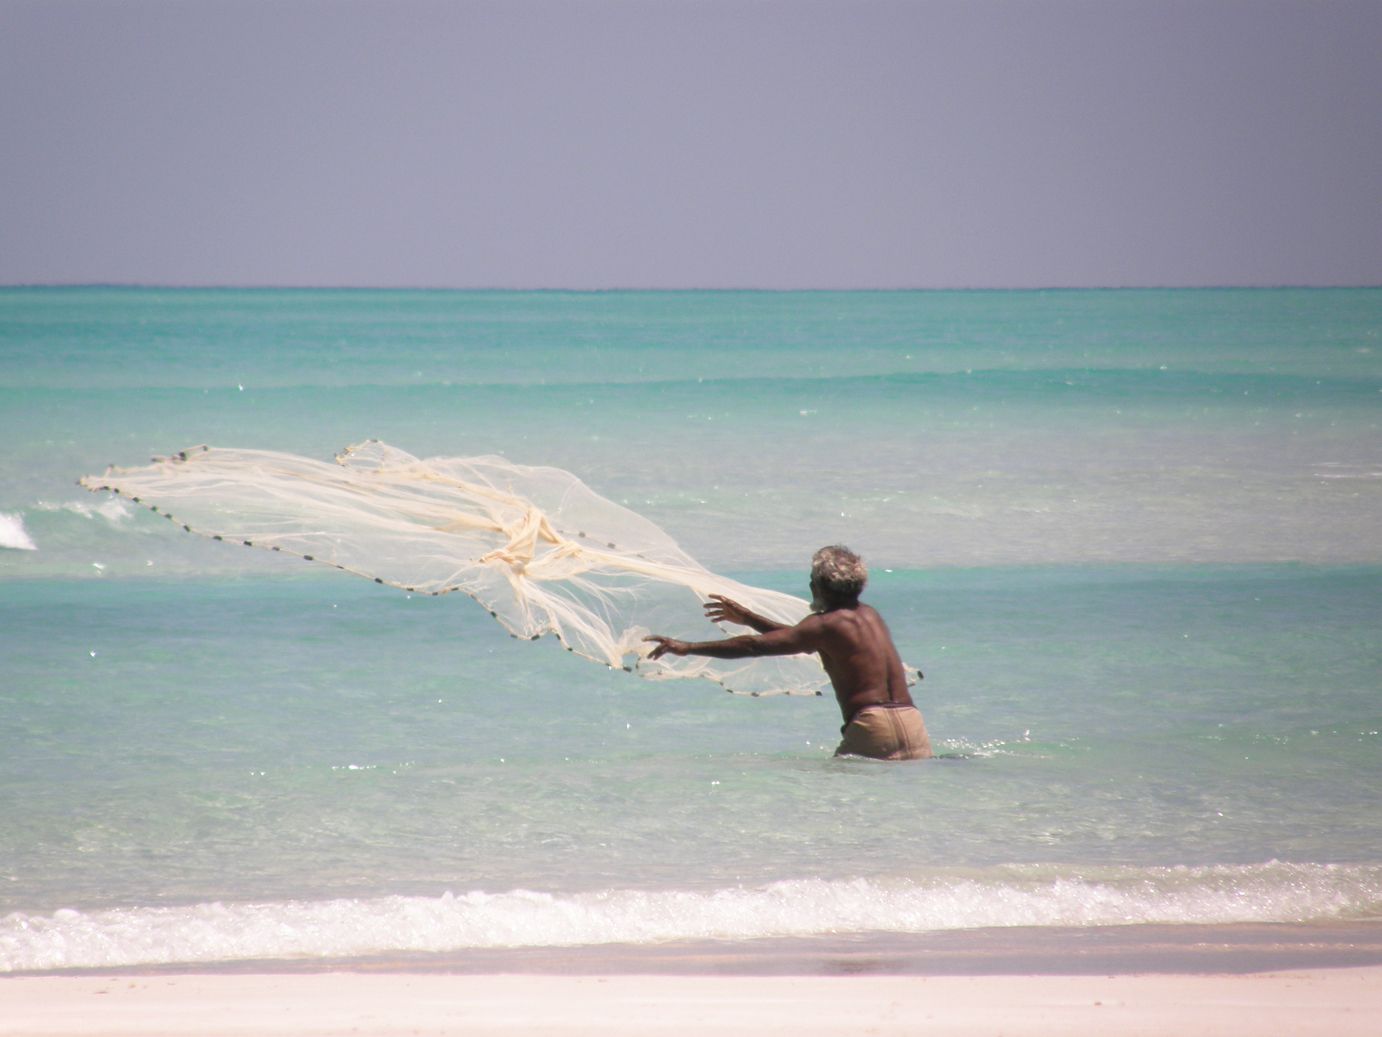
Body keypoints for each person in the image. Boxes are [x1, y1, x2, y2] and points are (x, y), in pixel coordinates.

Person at [645, 545, 932, 760]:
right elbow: (799, 638)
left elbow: (754, 646)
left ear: (819, 585)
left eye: (811, 579)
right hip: (914, 726)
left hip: (873, 728)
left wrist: (686, 647)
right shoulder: (871, 616)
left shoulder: (824, 625)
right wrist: (748, 617)